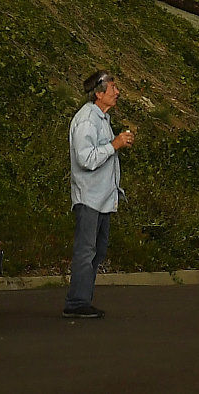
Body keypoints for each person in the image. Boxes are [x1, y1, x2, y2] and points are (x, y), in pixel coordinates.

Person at [64, 69, 134, 320]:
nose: (117, 92)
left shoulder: (102, 119)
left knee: (97, 251)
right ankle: (77, 302)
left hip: (102, 199)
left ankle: (82, 299)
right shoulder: (87, 120)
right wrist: (114, 145)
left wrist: (116, 144)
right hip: (89, 199)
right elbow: (85, 159)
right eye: (113, 88)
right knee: (87, 250)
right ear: (99, 93)